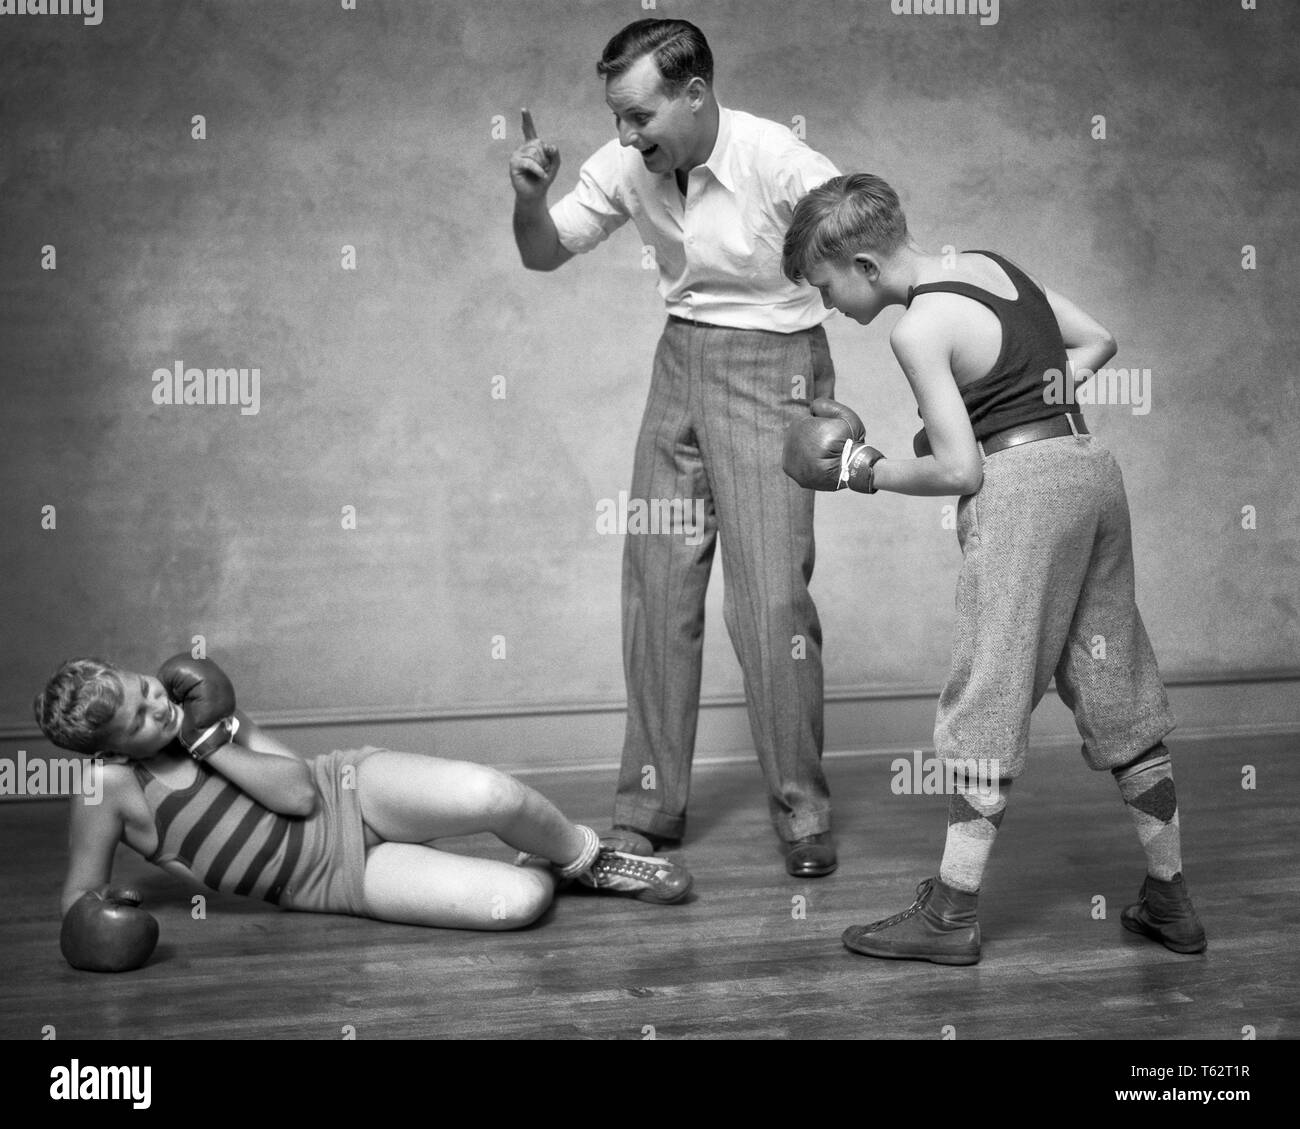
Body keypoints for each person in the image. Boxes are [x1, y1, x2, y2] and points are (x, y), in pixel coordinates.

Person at [780, 172, 1207, 964]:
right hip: (1089, 472)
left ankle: (950, 914)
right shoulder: (991, 265)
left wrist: (858, 470)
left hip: (1023, 500)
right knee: (1119, 685)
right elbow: (1096, 341)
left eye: (826, 284)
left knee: (989, 688)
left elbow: (960, 474)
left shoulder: (917, 329)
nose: (827, 303)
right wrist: (1016, 416)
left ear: (866, 267)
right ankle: (1171, 897)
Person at [509, 18, 843, 876]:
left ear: (694, 93)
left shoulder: (783, 165)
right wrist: (525, 197)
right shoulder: (629, 165)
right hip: (680, 358)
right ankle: (649, 807)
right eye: (616, 117)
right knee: (658, 589)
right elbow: (545, 254)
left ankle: (803, 813)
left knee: (771, 604)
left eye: (637, 116)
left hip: (775, 368)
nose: (624, 136)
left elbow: (869, 260)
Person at [34, 654, 692, 971]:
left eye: (145, 689)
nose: (159, 705)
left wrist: (211, 737)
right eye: (142, 718)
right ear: (113, 749)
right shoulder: (108, 789)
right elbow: (78, 891)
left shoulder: (200, 702)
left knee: (495, 795)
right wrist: (97, 920)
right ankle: (541, 860)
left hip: (347, 786)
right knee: (516, 902)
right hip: (330, 881)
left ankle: (589, 858)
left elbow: (297, 792)